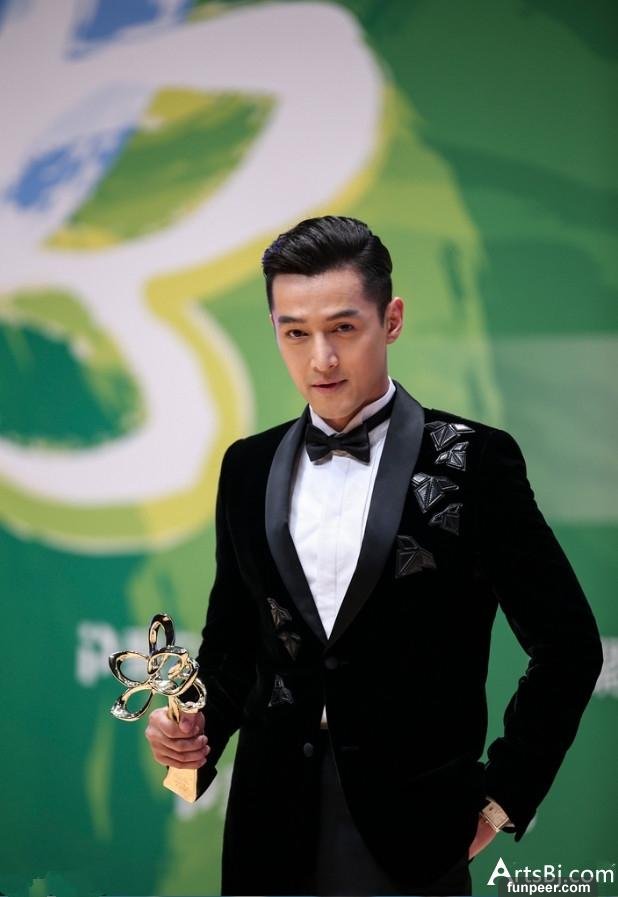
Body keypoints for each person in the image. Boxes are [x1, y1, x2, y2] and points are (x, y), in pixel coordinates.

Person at [145, 216, 603, 896]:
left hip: (416, 829)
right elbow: (236, 649)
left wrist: (501, 799)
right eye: (295, 332)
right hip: (267, 826)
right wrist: (192, 735)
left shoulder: (476, 461)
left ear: (391, 320)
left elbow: (568, 645)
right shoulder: (247, 466)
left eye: (343, 328)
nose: (321, 359)